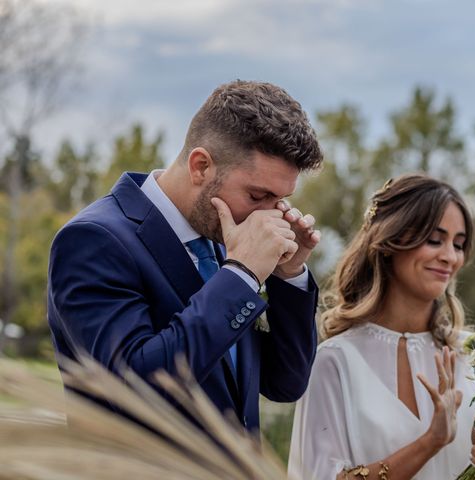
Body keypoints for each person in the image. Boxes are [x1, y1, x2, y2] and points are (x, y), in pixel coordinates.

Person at [47, 80, 323, 432]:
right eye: (257, 196)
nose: (269, 217)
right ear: (201, 166)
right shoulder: (93, 240)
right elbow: (134, 390)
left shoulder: (227, 239)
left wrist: (289, 272)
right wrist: (241, 275)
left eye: (280, 200)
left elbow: (285, 384)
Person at [288, 174, 475, 479]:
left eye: (459, 244)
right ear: (391, 241)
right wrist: (430, 442)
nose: (450, 256)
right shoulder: (334, 361)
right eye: (434, 240)